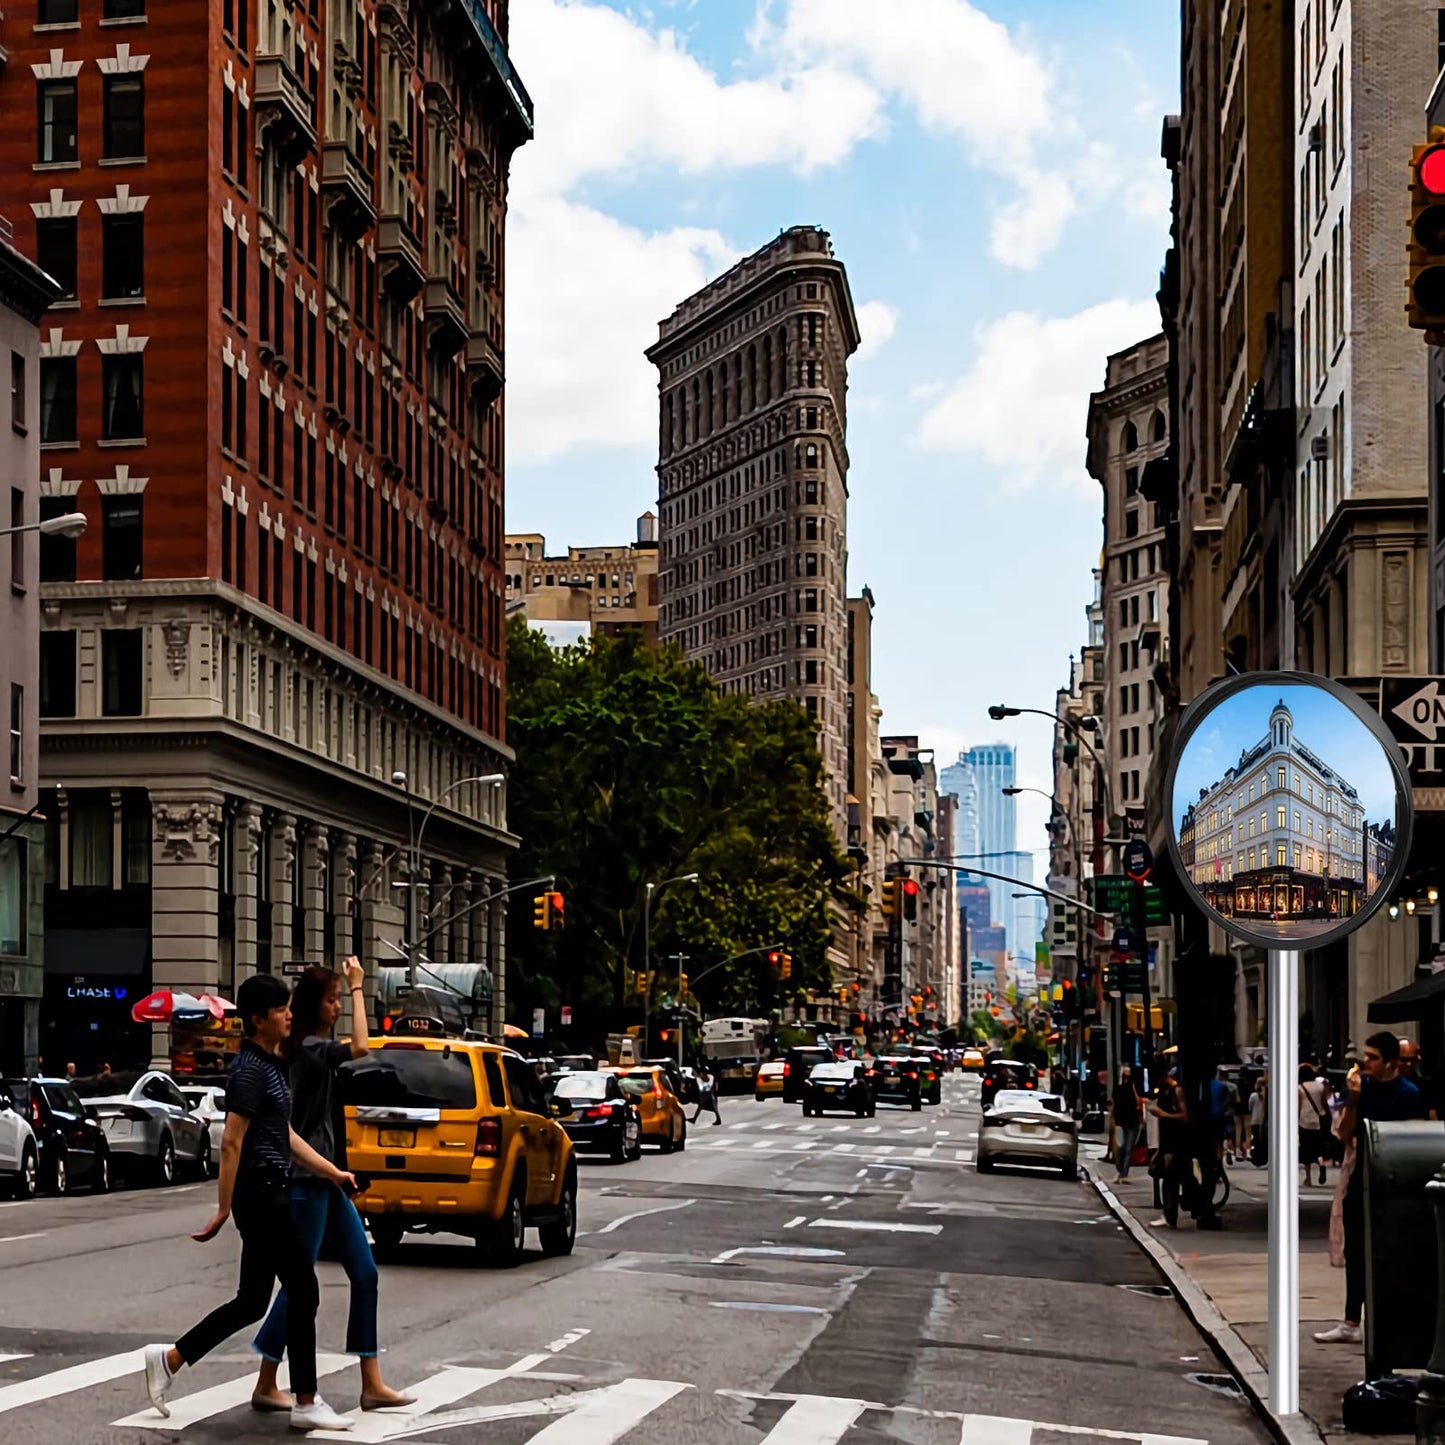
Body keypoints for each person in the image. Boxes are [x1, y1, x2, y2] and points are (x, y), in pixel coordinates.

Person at [142, 973, 355, 1431]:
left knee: (252, 1301)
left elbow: (287, 1135)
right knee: (304, 1289)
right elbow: (233, 1142)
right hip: (259, 1196)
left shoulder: (271, 1064)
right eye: (281, 1010)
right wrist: (223, 1208)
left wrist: (332, 1172)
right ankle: (305, 1400)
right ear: (259, 1019)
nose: (290, 1015)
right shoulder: (249, 1070)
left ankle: (169, 1360)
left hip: (269, 1192)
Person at [250, 959, 413, 1414]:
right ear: (311, 1005)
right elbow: (362, 1047)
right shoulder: (307, 1047)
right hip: (306, 1180)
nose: (338, 1006)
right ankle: (266, 1379)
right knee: (300, 1284)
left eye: (341, 998)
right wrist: (362, 989)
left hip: (329, 1178)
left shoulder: (309, 1047)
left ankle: (371, 1382)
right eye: (332, 999)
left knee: (365, 1273)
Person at [1313, 1030, 1428, 1346]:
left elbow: (1415, 1140)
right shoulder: (1362, 1088)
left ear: (1391, 1063)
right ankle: (1352, 1320)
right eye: (1366, 1056)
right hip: (1361, 1177)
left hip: (1392, 1182)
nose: (1366, 1062)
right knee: (1356, 1251)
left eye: (1373, 1058)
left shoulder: (1408, 1093)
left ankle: (1388, 1320)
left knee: (1390, 1253)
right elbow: (1345, 1134)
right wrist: (1353, 1099)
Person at [1148, 1070, 1190, 1229]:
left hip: (1176, 1142)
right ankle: (1168, 1213)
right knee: (1167, 1178)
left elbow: (1184, 1116)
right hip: (1166, 1142)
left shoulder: (1176, 1091)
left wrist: (1162, 1114)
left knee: (1171, 1179)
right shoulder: (1166, 1092)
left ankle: (1170, 1215)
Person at [1298, 1064, 1333, 1187]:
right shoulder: (1320, 1086)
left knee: (1306, 1150)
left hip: (1305, 1121)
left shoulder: (1300, 1088)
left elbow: (1298, 1106)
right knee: (1319, 1147)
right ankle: (1321, 1164)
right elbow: (1324, 1102)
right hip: (1320, 1120)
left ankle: (1308, 1178)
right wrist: (1329, 1115)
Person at [1111, 1066, 1144, 1182]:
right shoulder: (1118, 1088)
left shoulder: (1133, 1087)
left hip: (1131, 1121)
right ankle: (1120, 1171)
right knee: (1120, 1148)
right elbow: (1114, 1104)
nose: (1127, 1078)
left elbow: (1138, 1102)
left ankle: (1124, 1174)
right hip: (1120, 1121)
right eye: (1125, 1075)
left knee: (1128, 1149)